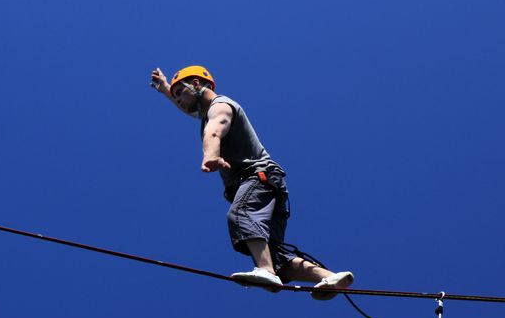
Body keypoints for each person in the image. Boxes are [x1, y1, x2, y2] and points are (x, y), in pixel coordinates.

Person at [149, 65, 353, 299]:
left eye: (180, 94)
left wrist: (211, 156)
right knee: (275, 255)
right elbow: (189, 109)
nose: (180, 103)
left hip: (257, 179)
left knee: (241, 215)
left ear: (196, 85)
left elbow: (214, 132)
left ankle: (266, 271)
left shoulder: (220, 107)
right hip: (270, 185)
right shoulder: (206, 109)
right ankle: (329, 277)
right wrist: (167, 89)